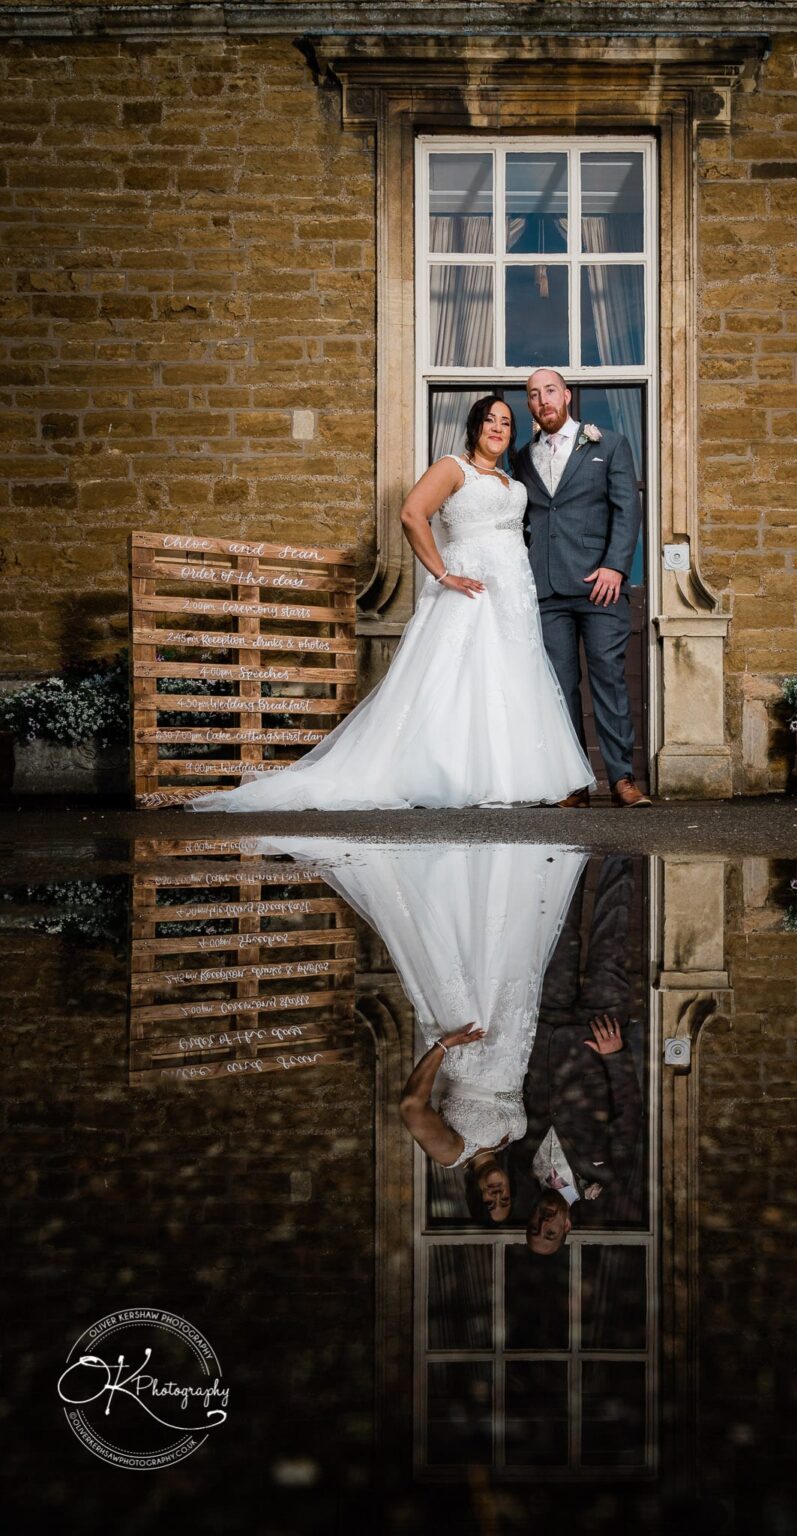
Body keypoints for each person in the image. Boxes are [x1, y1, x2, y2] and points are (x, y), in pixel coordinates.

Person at [187, 395, 594, 811]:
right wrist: (442, 574)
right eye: (489, 420)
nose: (497, 428)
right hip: (466, 595)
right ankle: (449, 773)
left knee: (509, 680)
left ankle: (511, 777)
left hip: (511, 599)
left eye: (506, 423)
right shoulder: (453, 468)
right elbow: (412, 514)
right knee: (458, 681)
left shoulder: (512, 481)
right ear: (475, 426)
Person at [251, 838, 588, 1222]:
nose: (497, 1195)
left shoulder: (451, 1153)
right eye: (504, 1201)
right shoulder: (513, 1141)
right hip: (508, 1040)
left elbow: (412, 1105)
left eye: (488, 1201)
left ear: (473, 1193)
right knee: (502, 949)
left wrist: (443, 1046)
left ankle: (443, 860)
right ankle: (493, 858)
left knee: (454, 949)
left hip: (465, 1043)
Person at [510, 369, 652, 808]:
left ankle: (622, 779)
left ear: (567, 395)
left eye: (549, 391)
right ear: (530, 405)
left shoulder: (608, 444)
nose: (542, 400)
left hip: (599, 586)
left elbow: (627, 509)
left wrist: (615, 566)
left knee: (609, 680)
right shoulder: (520, 458)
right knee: (560, 687)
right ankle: (573, 783)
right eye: (533, 395)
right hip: (546, 589)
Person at [513, 856, 645, 1253]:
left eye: (534, 1228)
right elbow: (628, 1110)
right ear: (567, 1227)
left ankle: (566, 849)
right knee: (611, 929)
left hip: (549, 1026)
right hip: (599, 1033)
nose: (543, 1222)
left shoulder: (521, 1166)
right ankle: (619, 847)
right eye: (550, 1232)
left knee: (557, 929)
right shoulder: (604, 1174)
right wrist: (617, 1054)